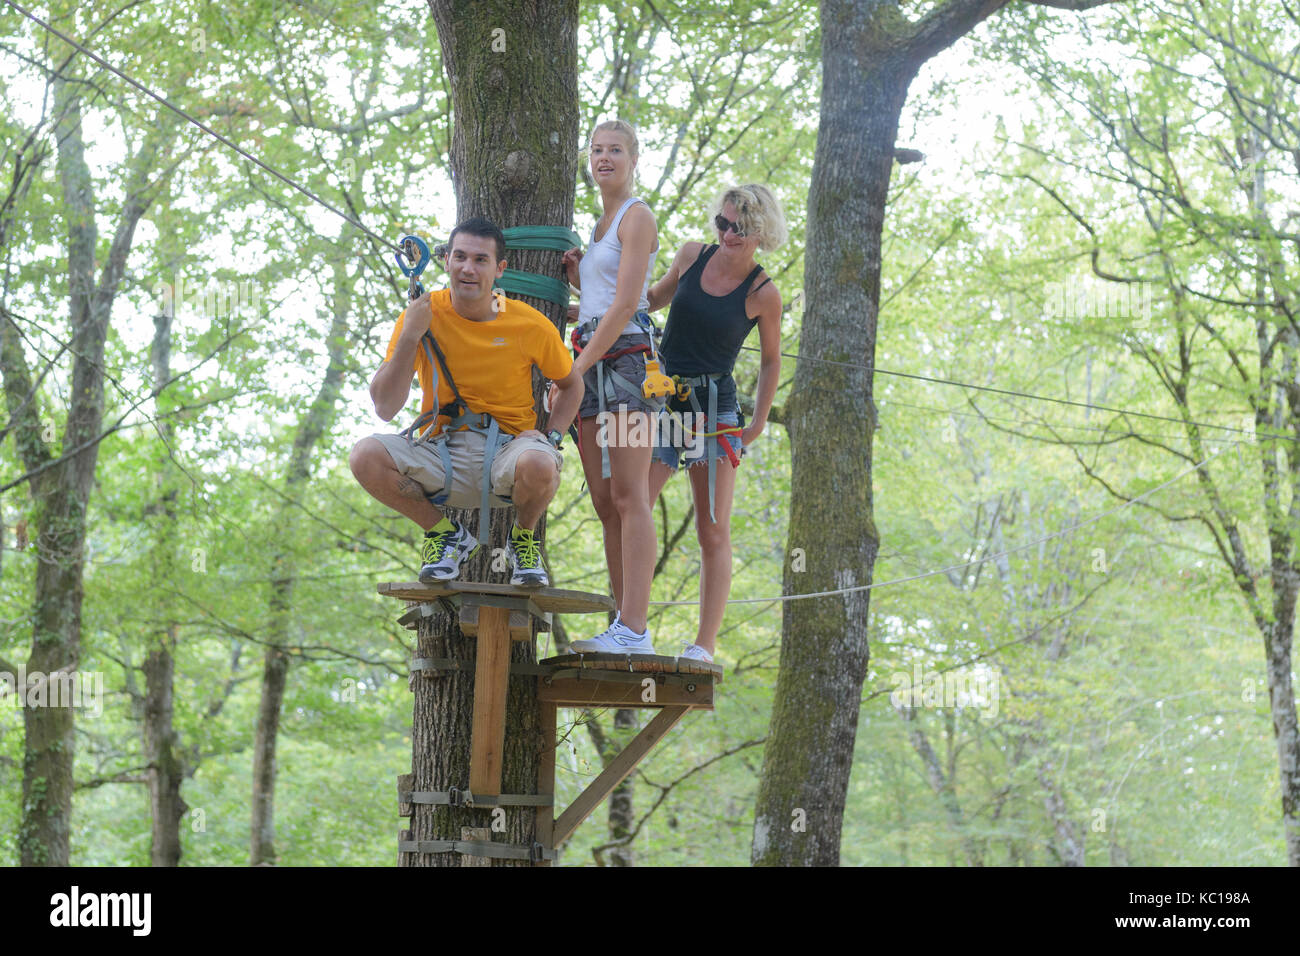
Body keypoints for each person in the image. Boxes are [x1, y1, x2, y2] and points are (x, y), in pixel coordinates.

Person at [350, 217, 584, 587]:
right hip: (440, 448)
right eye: (459, 257)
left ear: (499, 269)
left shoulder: (528, 324)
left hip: (509, 451)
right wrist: (411, 335)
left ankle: (523, 539)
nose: (467, 269)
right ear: (446, 261)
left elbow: (572, 385)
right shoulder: (421, 315)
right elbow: (384, 407)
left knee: (541, 461)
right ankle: (444, 535)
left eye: (480, 260)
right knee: (364, 455)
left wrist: (552, 437)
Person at [646, 185, 786, 663]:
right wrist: (589, 298)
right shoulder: (691, 256)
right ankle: (629, 625)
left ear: (760, 232)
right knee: (634, 506)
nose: (728, 233)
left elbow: (771, 362)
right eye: (722, 223)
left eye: (740, 227)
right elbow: (647, 301)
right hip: (665, 398)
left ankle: (704, 645)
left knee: (712, 528)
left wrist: (760, 422)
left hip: (716, 408)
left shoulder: (764, 293)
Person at [558, 120, 661, 654]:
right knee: (603, 500)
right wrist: (577, 280)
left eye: (615, 150)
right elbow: (603, 298)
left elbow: (626, 305)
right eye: (597, 150)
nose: (604, 158)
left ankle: (635, 629)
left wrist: (573, 370)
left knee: (629, 493)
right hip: (594, 355)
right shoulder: (599, 225)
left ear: (633, 158)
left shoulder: (635, 217)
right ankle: (622, 625)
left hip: (627, 362)